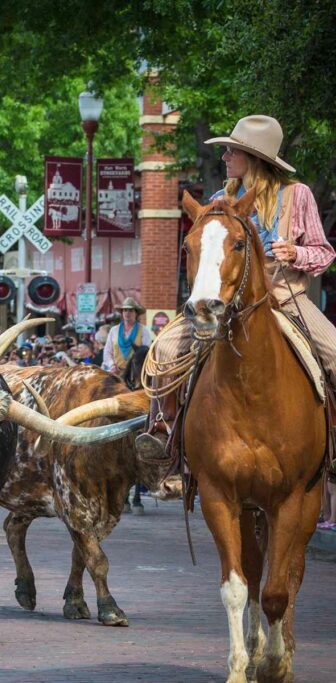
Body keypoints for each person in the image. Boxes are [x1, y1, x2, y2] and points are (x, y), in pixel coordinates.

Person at [139, 115, 336, 462]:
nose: (225, 157)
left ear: (254, 157)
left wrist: (296, 252)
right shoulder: (219, 199)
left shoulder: (297, 195)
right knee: (164, 351)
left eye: (231, 151)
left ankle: (331, 442)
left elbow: (324, 253)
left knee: (334, 354)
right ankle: (162, 429)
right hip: (223, 300)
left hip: (284, 297)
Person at [101, 298, 155, 375]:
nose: (127, 313)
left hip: (135, 374)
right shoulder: (114, 330)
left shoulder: (143, 330)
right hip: (116, 373)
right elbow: (107, 351)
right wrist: (112, 365)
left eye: (130, 310)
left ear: (136, 313)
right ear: (122, 313)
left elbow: (147, 353)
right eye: (125, 310)